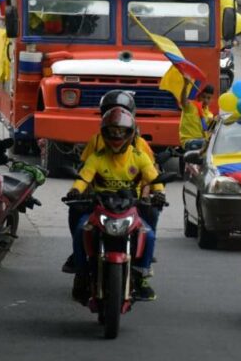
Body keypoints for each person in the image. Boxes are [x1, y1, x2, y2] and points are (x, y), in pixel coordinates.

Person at [60, 90, 163, 274]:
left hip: (131, 203)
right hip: (101, 202)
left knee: (150, 226)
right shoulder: (97, 149)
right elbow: (85, 174)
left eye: (121, 132)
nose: (117, 136)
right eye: (112, 131)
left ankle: (143, 259)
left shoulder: (140, 150)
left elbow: (151, 176)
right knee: (78, 222)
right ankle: (80, 259)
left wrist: (154, 195)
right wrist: (78, 191)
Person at [179, 82, 214, 148]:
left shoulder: (209, 114)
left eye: (209, 98)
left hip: (202, 141)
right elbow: (183, 101)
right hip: (189, 141)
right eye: (203, 97)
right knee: (208, 143)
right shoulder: (191, 106)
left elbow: (210, 131)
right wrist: (185, 85)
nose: (206, 100)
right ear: (199, 96)